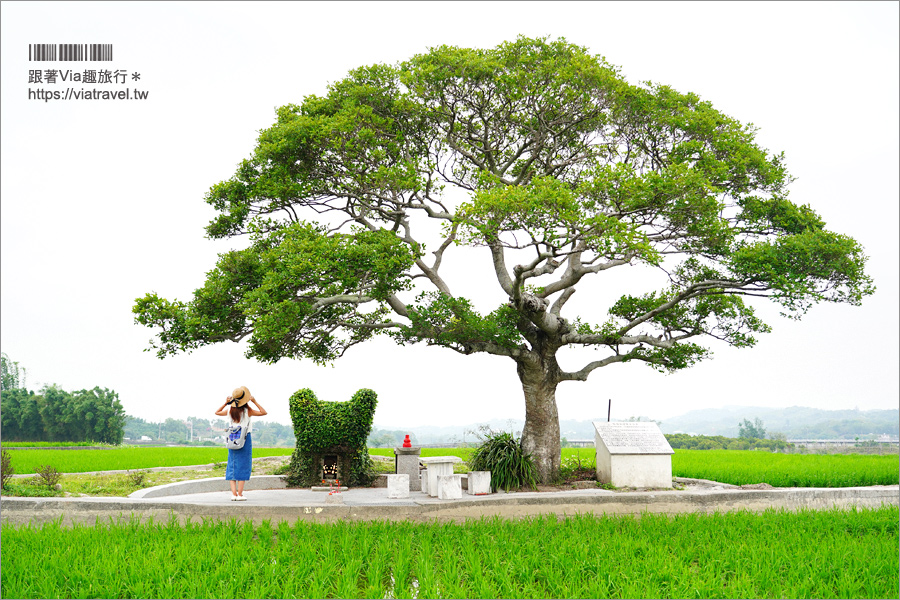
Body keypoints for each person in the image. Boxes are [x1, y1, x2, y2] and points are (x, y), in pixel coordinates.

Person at [215, 386, 267, 501]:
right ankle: (240, 494)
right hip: (245, 438)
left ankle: (233, 494)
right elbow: (264, 412)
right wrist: (254, 402)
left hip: (232, 438)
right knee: (243, 465)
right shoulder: (248, 411)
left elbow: (217, 412)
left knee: (232, 465)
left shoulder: (229, 410)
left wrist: (225, 403)